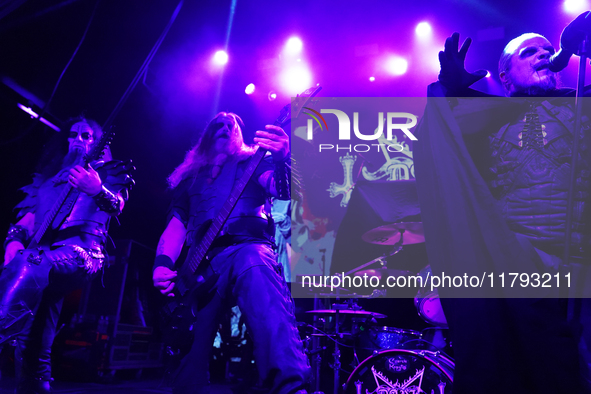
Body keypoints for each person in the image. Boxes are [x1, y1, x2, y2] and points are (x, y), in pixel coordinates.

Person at [414, 13, 591, 394]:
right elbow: (440, 135)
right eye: (530, 52)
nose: (543, 55)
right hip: (522, 269)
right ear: (506, 77)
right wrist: (450, 90)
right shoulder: (487, 120)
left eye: (548, 51)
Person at [152, 112, 310, 394]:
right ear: (206, 136)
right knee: (188, 344)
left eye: (232, 125)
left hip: (246, 246)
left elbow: (282, 190)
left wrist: (283, 159)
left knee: (258, 274)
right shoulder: (189, 178)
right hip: (198, 266)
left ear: (240, 135)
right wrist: (162, 264)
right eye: (218, 124)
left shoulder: (251, 162)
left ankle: (290, 387)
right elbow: (176, 224)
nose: (225, 127)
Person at [0, 117, 134, 394]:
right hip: (43, 257)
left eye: (87, 136)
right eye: (73, 134)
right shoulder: (49, 183)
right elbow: (25, 222)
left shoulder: (107, 171)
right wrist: (12, 244)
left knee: (32, 263)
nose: (79, 139)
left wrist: (97, 189)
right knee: (33, 332)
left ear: (97, 143)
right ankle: (34, 385)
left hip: (83, 252)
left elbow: (117, 205)